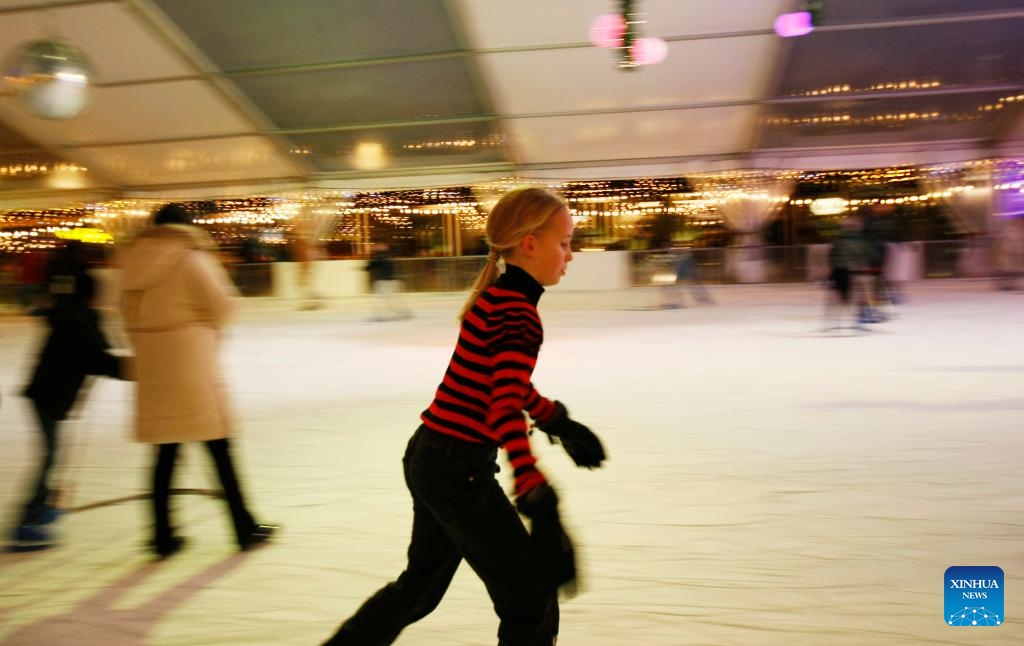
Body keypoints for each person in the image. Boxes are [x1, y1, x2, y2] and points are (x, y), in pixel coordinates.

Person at [321, 187, 607, 645]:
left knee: (420, 588)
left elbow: (501, 384)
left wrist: (555, 419)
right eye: (565, 242)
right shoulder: (517, 313)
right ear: (530, 244)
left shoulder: (498, 298)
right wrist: (532, 485)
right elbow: (502, 404)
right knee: (530, 600)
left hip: (431, 454)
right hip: (456, 469)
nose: (570, 254)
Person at [119, 203, 276, 559]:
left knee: (165, 453)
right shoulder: (190, 258)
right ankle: (244, 527)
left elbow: (124, 316)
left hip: (154, 370)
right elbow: (224, 307)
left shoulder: (129, 262)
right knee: (220, 449)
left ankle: (161, 535)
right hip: (191, 366)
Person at [13, 271, 126, 550]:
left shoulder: (70, 314)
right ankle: (29, 517)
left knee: (52, 454)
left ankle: (40, 507)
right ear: (93, 295)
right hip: (50, 395)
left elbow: (95, 354)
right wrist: (135, 368)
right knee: (50, 456)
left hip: (45, 394)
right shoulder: (81, 319)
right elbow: (96, 358)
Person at [364, 242, 412, 321]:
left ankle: (382, 315)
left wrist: (370, 259)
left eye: (376, 246)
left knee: (381, 298)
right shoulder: (387, 256)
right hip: (391, 280)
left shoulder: (380, 257)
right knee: (392, 299)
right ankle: (404, 313)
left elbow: (370, 267)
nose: (373, 247)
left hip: (385, 281)